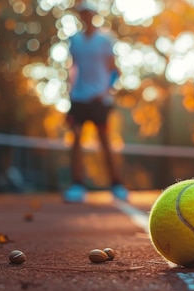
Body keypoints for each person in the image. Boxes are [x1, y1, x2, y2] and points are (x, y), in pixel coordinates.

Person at [63, 3, 128, 203]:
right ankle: (77, 184)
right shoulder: (74, 40)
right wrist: (70, 93)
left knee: (105, 140)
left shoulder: (105, 40)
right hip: (78, 99)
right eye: (82, 13)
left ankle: (116, 184)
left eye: (88, 13)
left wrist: (105, 91)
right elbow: (72, 69)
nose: (85, 16)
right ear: (79, 16)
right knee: (75, 140)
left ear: (93, 15)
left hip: (100, 100)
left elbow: (115, 70)